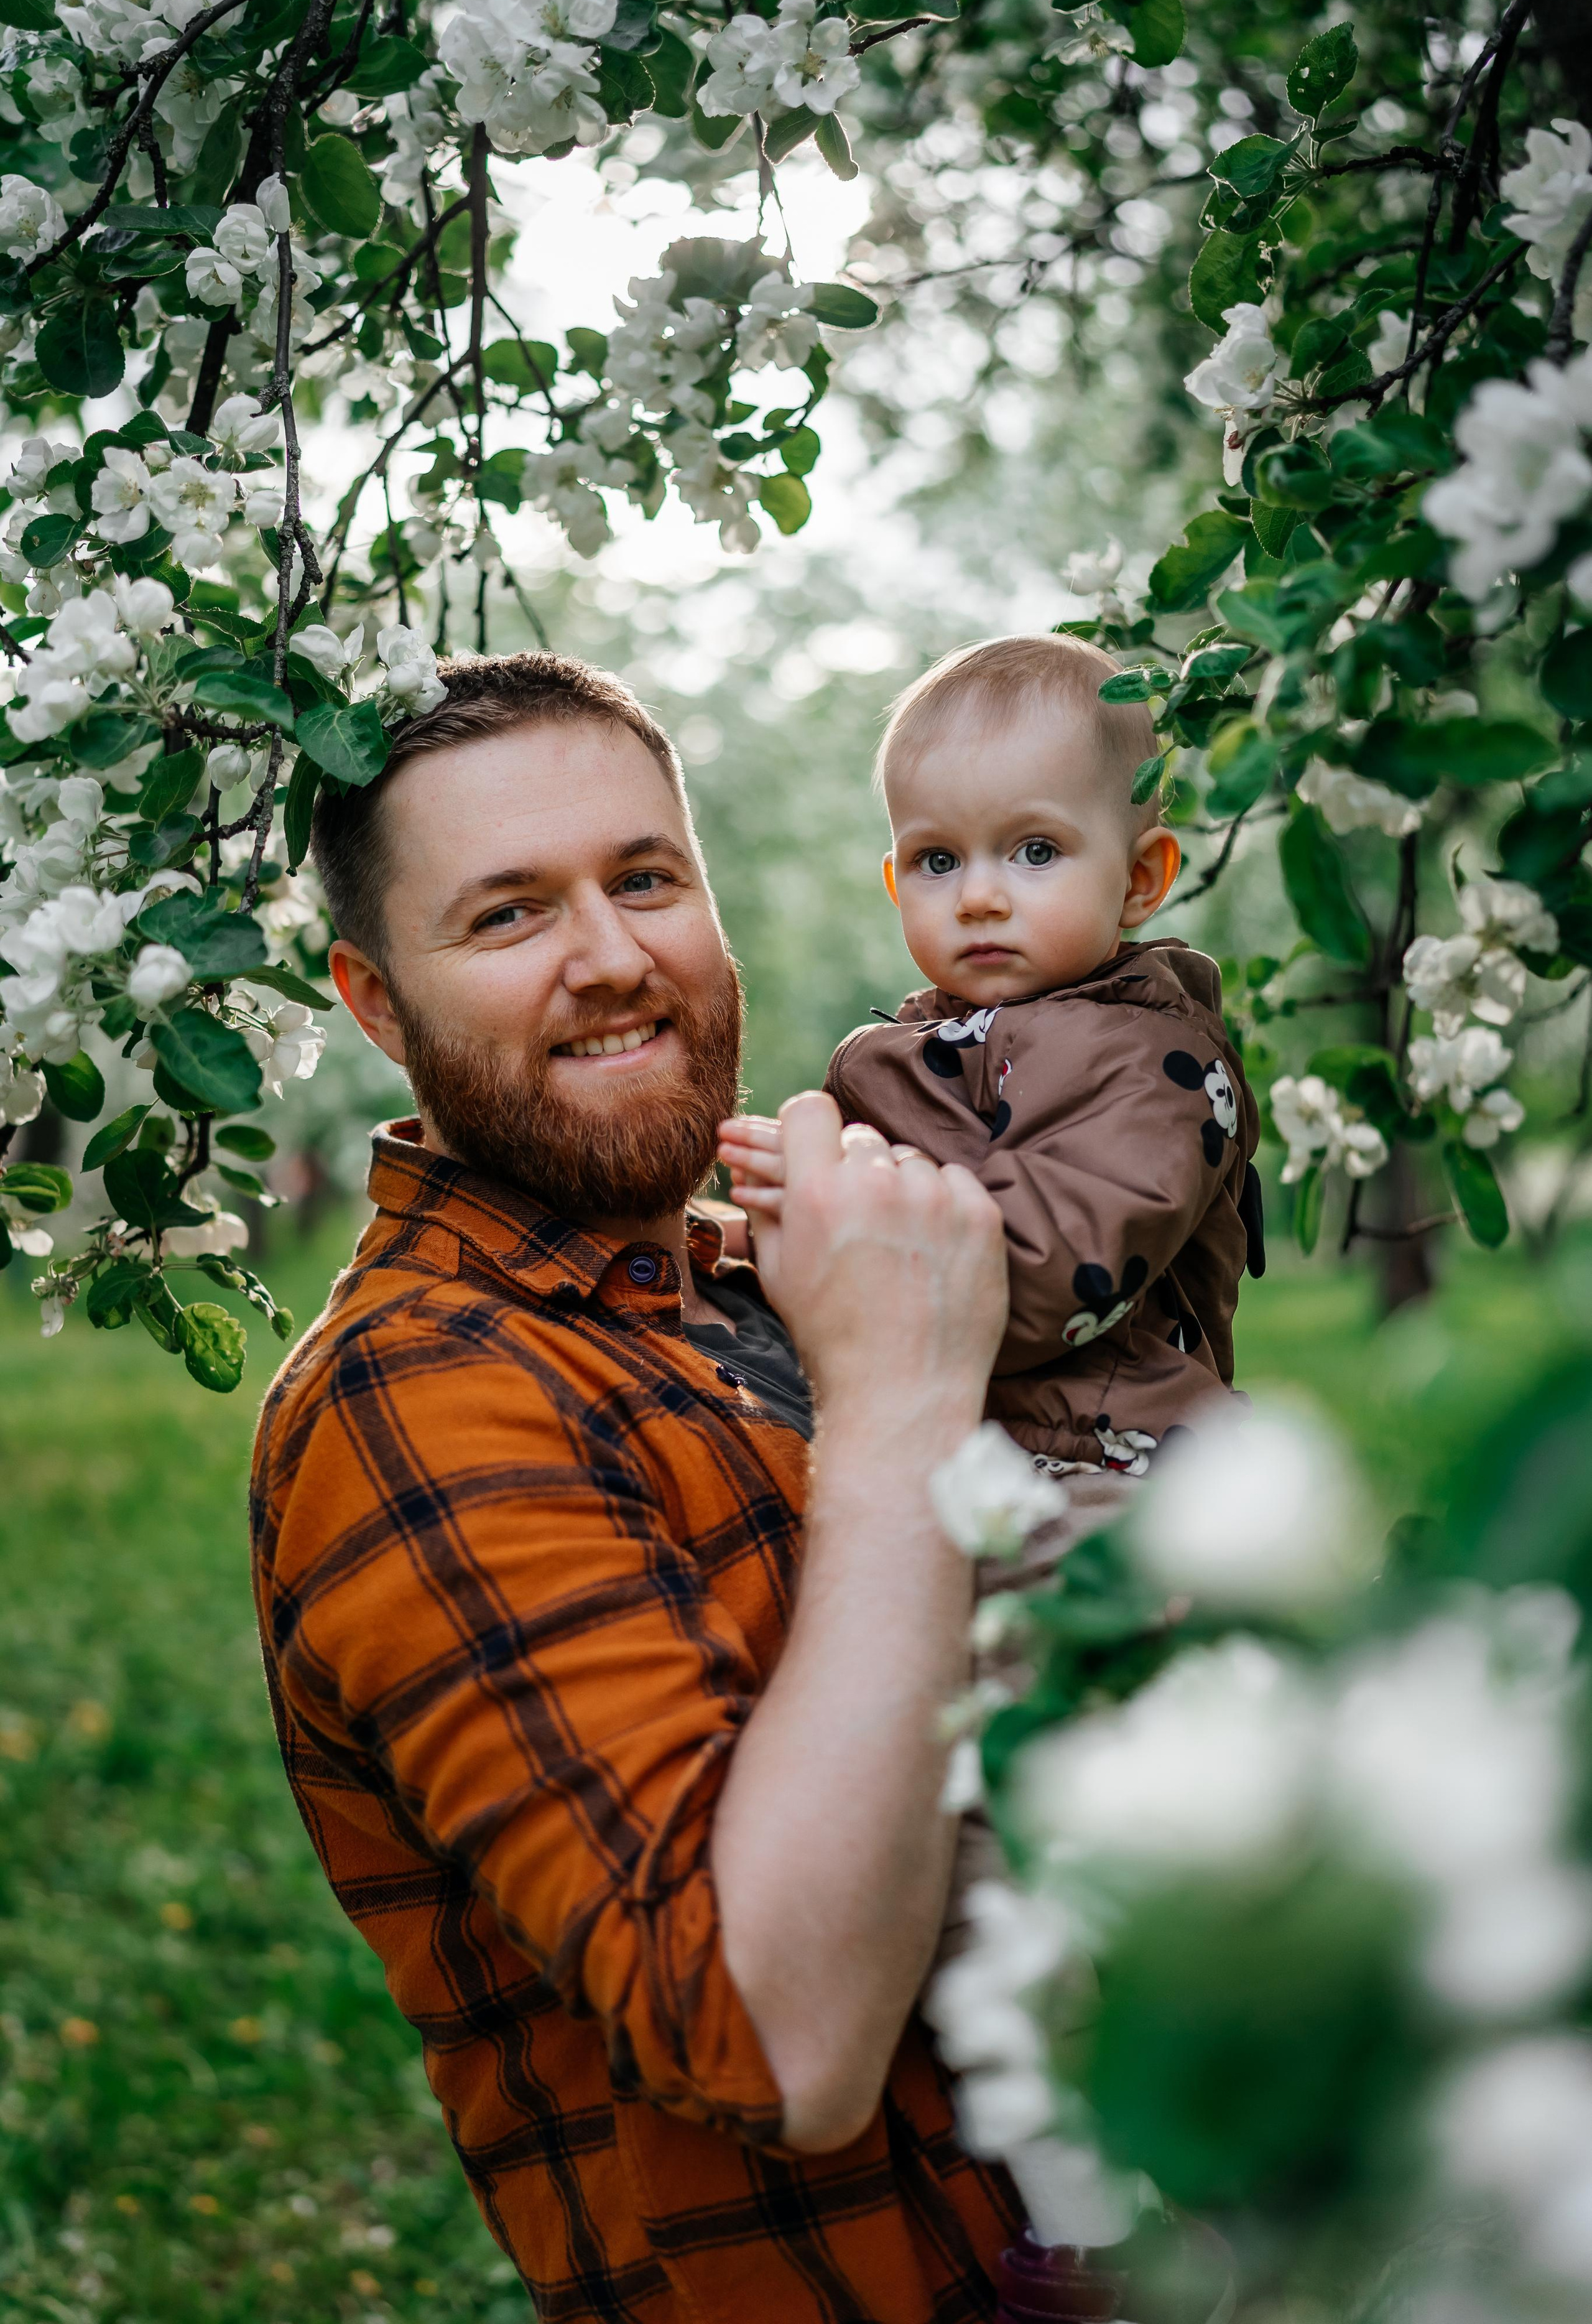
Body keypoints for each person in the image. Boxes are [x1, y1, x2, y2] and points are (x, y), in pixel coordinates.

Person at [249, 649, 1027, 2322]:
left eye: (647, 879)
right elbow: (778, 2040)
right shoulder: (417, 1396)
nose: (614, 961)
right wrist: (907, 1405)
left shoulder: (753, 1279)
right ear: (377, 1004)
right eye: (509, 915)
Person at [720, 632, 1266, 1487]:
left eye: (1035, 851)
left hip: (1105, 1459)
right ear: (898, 882)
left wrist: (853, 1230)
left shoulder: (1153, 1063)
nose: (977, 897)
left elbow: (1060, 1269)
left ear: (1139, 880)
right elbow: (830, 1260)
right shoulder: (899, 1053)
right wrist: (794, 1199)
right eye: (938, 861)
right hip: (949, 1454)